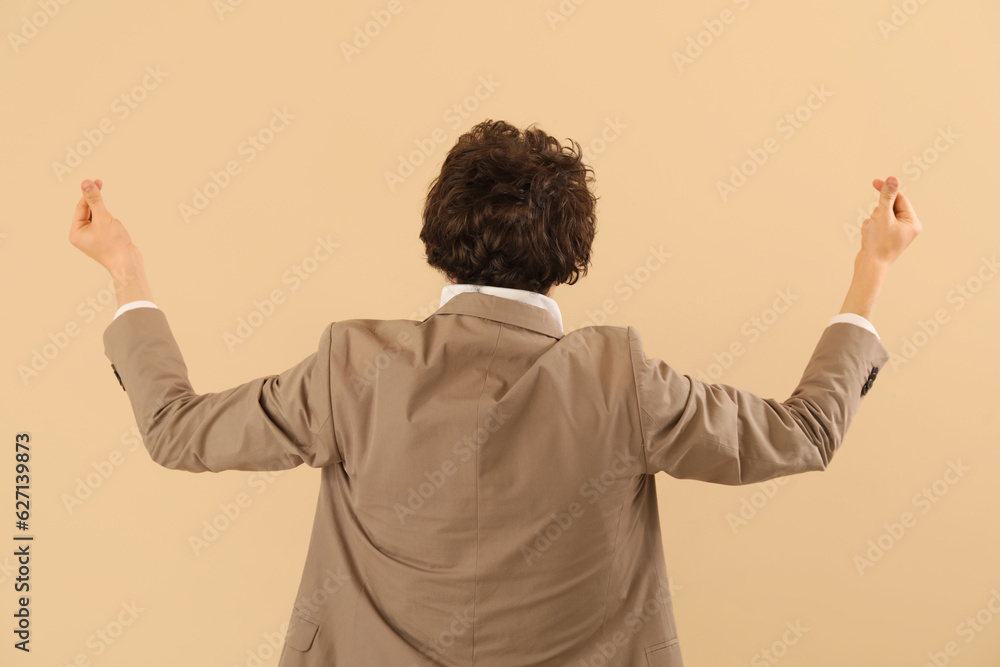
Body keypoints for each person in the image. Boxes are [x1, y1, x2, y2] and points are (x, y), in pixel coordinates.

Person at [69, 119, 921, 666]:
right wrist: (870, 270)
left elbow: (175, 429)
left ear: (439, 235)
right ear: (570, 253)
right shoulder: (621, 380)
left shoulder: (352, 366)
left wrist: (126, 271)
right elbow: (805, 432)